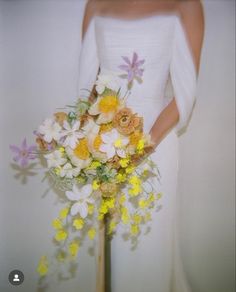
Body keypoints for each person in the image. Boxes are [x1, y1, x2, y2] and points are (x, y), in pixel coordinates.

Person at [77, 0, 204, 291]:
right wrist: (85, 141)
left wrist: (142, 147)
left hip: (157, 143)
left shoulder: (187, 5)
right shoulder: (95, 4)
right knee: (118, 247)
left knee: (151, 246)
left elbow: (186, 93)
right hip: (107, 144)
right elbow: (88, 87)